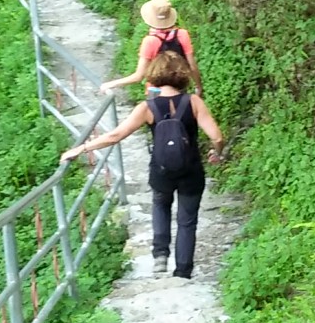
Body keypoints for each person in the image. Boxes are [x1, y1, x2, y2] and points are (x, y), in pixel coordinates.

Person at [62, 50, 223, 278]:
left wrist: (81, 148)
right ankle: (183, 272)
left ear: (154, 73)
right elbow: (217, 137)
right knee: (187, 221)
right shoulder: (194, 102)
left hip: (161, 170)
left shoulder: (148, 107)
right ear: (182, 74)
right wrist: (217, 153)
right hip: (191, 170)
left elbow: (115, 136)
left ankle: (160, 255)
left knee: (160, 205)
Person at [99, 0, 200, 96]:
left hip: (156, 93)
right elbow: (192, 66)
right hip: (179, 90)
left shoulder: (150, 41)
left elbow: (139, 76)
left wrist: (110, 84)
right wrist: (198, 86)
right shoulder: (182, 34)